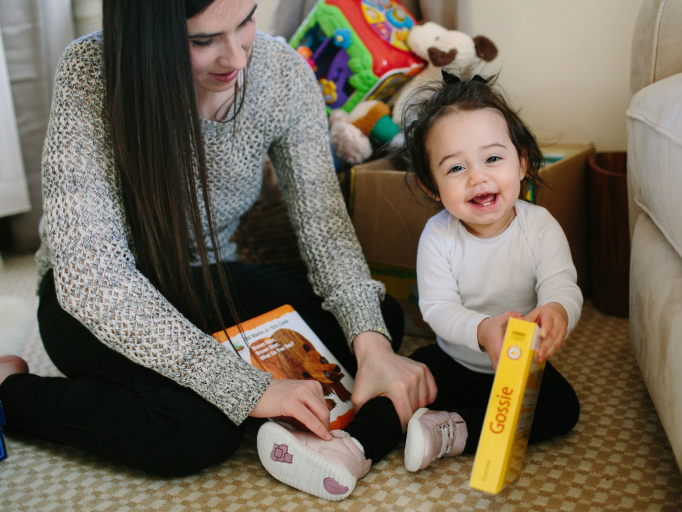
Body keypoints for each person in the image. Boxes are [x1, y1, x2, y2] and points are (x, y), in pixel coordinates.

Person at [0, 0, 437, 478]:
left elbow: (325, 231)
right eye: (202, 40)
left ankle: (198, 367)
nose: (237, 57)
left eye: (246, 20)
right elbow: (92, 280)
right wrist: (245, 387)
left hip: (202, 280)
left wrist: (372, 347)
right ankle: (10, 391)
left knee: (374, 322)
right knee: (196, 429)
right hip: (91, 300)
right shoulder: (91, 71)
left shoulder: (283, 75)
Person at [256, 72, 582, 500]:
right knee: (400, 389)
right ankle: (349, 450)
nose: (478, 178)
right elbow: (438, 308)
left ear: (522, 162)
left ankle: (450, 432)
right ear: (432, 186)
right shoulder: (440, 235)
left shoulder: (539, 226)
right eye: (456, 167)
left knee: (562, 409)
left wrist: (558, 311)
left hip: (519, 368)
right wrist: (482, 330)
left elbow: (563, 285)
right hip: (453, 358)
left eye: (493, 159)